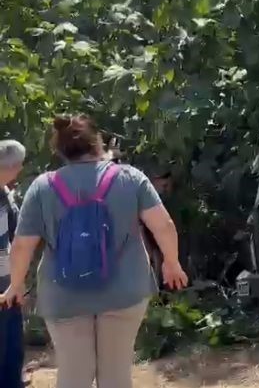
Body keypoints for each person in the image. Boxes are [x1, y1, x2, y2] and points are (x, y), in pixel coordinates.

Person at [0, 115, 189, 388]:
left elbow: (21, 245)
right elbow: (164, 225)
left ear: (60, 150)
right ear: (97, 142)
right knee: (116, 373)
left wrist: (15, 285)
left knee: (74, 375)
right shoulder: (129, 178)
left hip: (64, 297)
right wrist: (172, 263)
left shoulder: (42, 187)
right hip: (124, 291)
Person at [0, 140, 26, 388]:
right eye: (19, 165)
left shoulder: (5, 193)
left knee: (12, 344)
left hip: (7, 281)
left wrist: (17, 281)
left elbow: (14, 236)